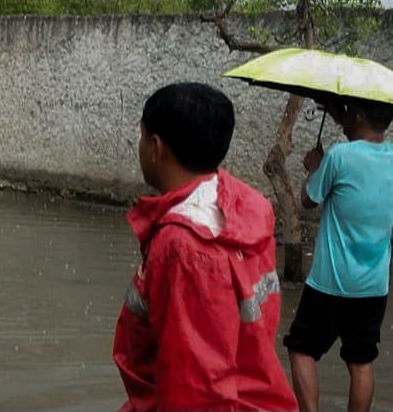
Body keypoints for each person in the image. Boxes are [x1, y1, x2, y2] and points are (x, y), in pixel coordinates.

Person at [113, 82, 298, 411]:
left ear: (156, 147)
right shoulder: (246, 206)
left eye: (141, 136)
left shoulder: (184, 248)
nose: (139, 146)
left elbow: (197, 389)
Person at [283, 97, 393, 412]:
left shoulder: (340, 157)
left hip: (330, 283)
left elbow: (307, 200)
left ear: (357, 115)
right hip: (374, 285)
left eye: (347, 111)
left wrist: (315, 167)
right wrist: (338, 114)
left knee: (301, 349)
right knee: (361, 361)